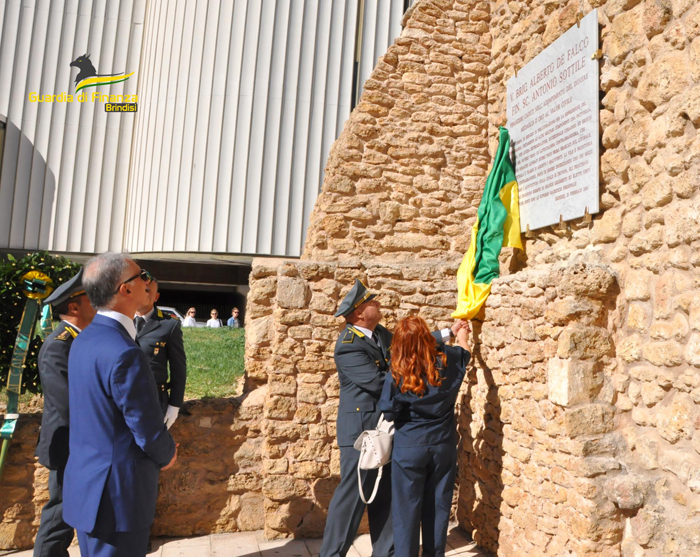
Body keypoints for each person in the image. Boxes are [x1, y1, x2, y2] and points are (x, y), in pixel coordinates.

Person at [320, 279, 463, 557]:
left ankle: (385, 552)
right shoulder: (348, 345)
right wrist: (416, 372)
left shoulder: (381, 334)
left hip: (388, 428)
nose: (377, 303)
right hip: (361, 432)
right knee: (353, 496)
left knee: (386, 497)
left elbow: (410, 343)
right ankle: (332, 553)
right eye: (371, 301)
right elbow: (378, 382)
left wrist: (447, 332)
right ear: (360, 313)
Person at [63, 253, 177, 557]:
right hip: (116, 498)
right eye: (142, 275)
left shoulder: (84, 340)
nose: (147, 281)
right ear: (124, 289)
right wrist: (168, 454)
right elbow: (146, 428)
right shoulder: (124, 352)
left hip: (88, 489)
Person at [379, 315, 471, 557]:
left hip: (409, 447)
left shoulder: (397, 371)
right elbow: (465, 352)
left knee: (406, 511)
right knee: (438, 508)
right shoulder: (448, 360)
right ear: (426, 339)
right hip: (442, 445)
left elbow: (388, 412)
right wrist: (460, 334)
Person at [33, 268, 96, 557]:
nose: (98, 303)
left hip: (78, 443)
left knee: (69, 512)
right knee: (58, 515)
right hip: (67, 444)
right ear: (74, 306)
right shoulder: (58, 346)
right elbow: (67, 404)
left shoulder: (78, 341)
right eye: (91, 298)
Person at [134, 278, 187, 429]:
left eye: (147, 291)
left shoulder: (169, 325)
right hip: (122, 397)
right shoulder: (121, 322)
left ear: (156, 297)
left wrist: (174, 406)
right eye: (139, 290)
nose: (142, 294)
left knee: (150, 450)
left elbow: (178, 369)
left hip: (154, 399)